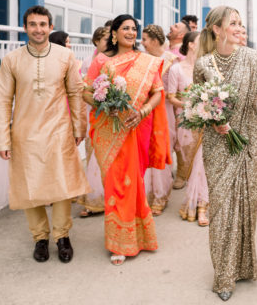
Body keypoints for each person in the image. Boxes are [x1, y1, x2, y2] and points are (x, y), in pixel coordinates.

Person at [0, 6, 89, 263]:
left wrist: (80, 127)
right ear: (25, 28)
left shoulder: (65, 56)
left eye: (43, 24)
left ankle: (62, 236)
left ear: (50, 27)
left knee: (62, 185)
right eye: (33, 24)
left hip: (58, 130)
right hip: (25, 133)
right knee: (29, 188)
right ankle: (40, 238)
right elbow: (2, 101)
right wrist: (2, 138)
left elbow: (75, 94)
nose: (38, 29)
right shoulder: (12, 60)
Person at [83, 15, 171, 265]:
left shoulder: (147, 62)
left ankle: (138, 238)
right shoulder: (101, 60)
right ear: (114, 33)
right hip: (108, 130)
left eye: (134, 29)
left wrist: (142, 111)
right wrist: (104, 105)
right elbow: (86, 92)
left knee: (133, 183)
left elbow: (157, 93)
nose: (131, 33)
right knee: (115, 184)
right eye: (126, 28)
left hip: (134, 128)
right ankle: (118, 242)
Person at [195, 6, 257, 301]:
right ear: (217, 29)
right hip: (217, 144)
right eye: (232, 23)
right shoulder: (202, 64)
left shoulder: (252, 58)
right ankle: (223, 276)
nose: (238, 27)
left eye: (240, 22)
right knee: (222, 208)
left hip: (247, 141)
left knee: (246, 208)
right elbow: (196, 103)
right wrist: (214, 119)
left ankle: (244, 267)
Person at [168, 31, 209, 225]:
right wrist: (188, 107)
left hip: (206, 121)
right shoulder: (176, 69)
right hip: (186, 120)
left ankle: (200, 204)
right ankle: (194, 198)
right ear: (191, 44)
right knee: (188, 162)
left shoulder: (207, 67)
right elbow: (171, 96)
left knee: (203, 164)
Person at [141, 24, 183, 214]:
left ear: (155, 41)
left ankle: (160, 195)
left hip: (164, 110)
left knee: (161, 149)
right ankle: (146, 195)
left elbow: (175, 90)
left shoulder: (170, 61)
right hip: (145, 110)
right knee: (145, 151)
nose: (142, 43)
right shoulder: (142, 60)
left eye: (144, 40)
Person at [77, 27, 111, 218]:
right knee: (94, 156)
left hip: (112, 112)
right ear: (96, 41)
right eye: (105, 39)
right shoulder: (91, 61)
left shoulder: (115, 58)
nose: (108, 43)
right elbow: (86, 87)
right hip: (95, 111)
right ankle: (94, 200)